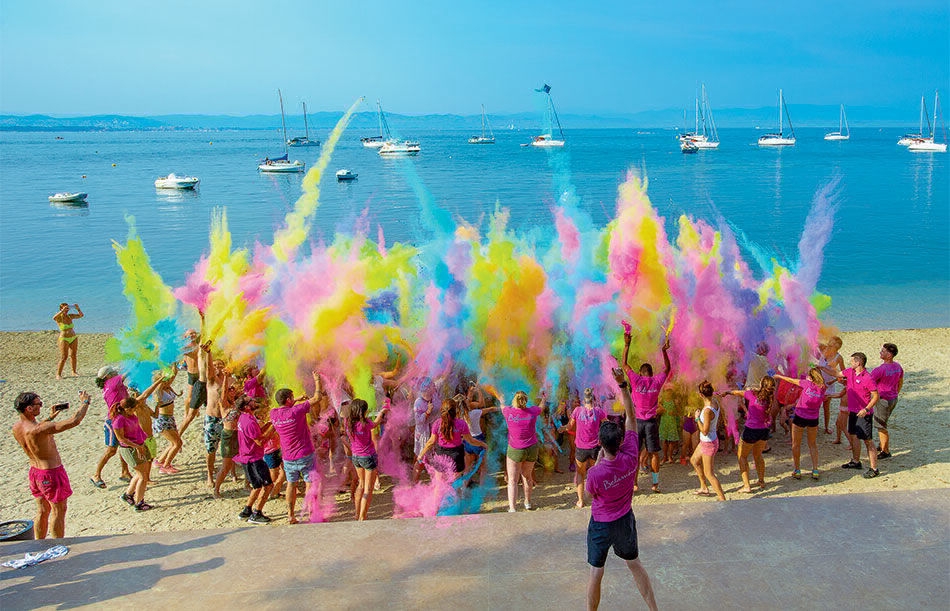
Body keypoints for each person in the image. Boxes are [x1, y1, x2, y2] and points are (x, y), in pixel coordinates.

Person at [584, 367, 658, 611]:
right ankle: (653, 608)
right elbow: (632, 417)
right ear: (621, 441)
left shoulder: (595, 473)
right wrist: (623, 385)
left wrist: (597, 462)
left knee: (597, 572)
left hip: (601, 525)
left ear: (599, 444)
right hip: (625, 521)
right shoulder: (631, 454)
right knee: (634, 564)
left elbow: (589, 494)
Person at [12, 390, 91, 538]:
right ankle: (57, 547)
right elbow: (74, 421)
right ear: (29, 408)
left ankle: (38, 544)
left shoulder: (17, 427)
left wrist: (49, 417)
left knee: (42, 511)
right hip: (51, 473)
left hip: (35, 472)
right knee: (58, 511)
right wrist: (85, 403)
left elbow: (36, 430)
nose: (40, 407)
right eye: (38, 404)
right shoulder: (39, 429)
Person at [622, 333, 671, 493]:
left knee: (635, 455)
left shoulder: (636, 380)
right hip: (651, 423)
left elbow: (624, 364)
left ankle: (635, 484)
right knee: (654, 454)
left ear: (641, 372)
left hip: (637, 423)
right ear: (650, 372)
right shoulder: (657, 381)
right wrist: (664, 352)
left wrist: (627, 345)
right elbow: (668, 369)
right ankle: (655, 484)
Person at [270, 374, 323, 524]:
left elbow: (287, 411)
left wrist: (296, 400)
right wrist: (317, 380)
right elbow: (317, 398)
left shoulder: (273, 413)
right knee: (309, 484)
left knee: (291, 485)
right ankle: (311, 513)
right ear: (288, 400)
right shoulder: (297, 411)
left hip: (288, 458)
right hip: (305, 454)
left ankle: (290, 515)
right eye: (292, 397)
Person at [722, 376, 775, 493]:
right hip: (764, 431)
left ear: (762, 384)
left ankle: (746, 486)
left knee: (742, 456)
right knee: (758, 455)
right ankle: (761, 481)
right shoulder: (770, 399)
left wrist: (727, 392)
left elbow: (738, 392)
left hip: (751, 430)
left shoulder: (752, 394)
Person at [775, 368, 827, 479]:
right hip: (813, 418)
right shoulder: (823, 387)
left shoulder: (807, 384)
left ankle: (797, 470)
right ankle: (815, 470)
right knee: (812, 444)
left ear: (811, 377)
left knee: (796, 444)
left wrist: (779, 377)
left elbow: (791, 380)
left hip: (800, 416)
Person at [558, 388, 606, 508]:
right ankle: (598, 498)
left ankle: (580, 501)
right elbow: (607, 425)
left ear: (583, 401)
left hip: (581, 449)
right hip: (595, 448)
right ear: (593, 400)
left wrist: (562, 428)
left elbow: (569, 427)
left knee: (580, 474)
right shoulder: (598, 411)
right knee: (596, 474)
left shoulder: (577, 411)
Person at [417, 397, 487, 478]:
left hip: (441, 455)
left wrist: (421, 454)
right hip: (457, 456)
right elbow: (471, 441)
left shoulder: (437, 423)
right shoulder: (461, 424)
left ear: (441, 410)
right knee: (456, 485)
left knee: (439, 485)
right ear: (455, 411)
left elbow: (431, 442)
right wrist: (483, 444)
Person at [342, 398, 389, 521]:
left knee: (361, 485)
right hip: (368, 457)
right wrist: (382, 411)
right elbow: (376, 422)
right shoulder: (365, 423)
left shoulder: (347, 422)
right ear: (363, 411)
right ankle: (363, 516)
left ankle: (357, 514)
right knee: (368, 488)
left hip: (356, 457)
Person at [837, 352, 881, 478]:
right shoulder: (850, 372)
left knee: (868, 441)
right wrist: (821, 368)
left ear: (858, 363)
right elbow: (836, 374)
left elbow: (876, 396)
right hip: (853, 411)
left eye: (852, 361)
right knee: (853, 436)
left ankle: (874, 468)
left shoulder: (867, 377)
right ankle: (856, 461)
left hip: (864, 414)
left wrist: (866, 409)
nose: (850, 363)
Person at [234, 396, 275, 524]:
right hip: (254, 459)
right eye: (250, 401)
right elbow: (259, 441)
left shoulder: (245, 418)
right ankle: (257, 513)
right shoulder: (250, 422)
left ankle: (247, 510)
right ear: (246, 407)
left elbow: (256, 434)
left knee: (256, 486)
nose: (254, 401)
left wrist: (268, 424)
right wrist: (274, 428)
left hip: (247, 458)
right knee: (268, 486)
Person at [502, 390, 543, 512]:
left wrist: (501, 397)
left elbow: (502, 405)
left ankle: (513, 508)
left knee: (513, 480)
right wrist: (544, 398)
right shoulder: (533, 411)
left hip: (515, 450)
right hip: (531, 448)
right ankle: (528, 503)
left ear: (514, 401)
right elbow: (541, 406)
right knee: (527, 477)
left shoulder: (508, 412)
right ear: (526, 400)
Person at [111, 397, 155, 511]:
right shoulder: (118, 420)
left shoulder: (131, 416)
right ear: (127, 409)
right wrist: (136, 446)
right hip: (131, 449)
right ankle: (139, 503)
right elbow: (121, 438)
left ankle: (128, 494)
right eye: (133, 409)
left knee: (141, 473)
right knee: (142, 477)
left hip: (139, 446)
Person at [91, 367, 132, 487]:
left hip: (121, 419)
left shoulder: (109, 385)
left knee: (123, 446)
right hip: (113, 421)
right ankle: (96, 475)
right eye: (113, 372)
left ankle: (125, 472)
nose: (116, 373)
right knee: (111, 450)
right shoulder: (112, 382)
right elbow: (127, 373)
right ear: (108, 376)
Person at [689, 381, 726, 500]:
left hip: (708, 442)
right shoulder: (715, 401)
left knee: (709, 474)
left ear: (701, 395)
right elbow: (716, 395)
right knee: (694, 460)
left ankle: (722, 498)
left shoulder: (707, 411)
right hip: (707, 440)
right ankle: (704, 487)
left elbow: (704, 431)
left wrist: (696, 419)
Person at [870, 343, 904, 459]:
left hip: (883, 400)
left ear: (889, 355)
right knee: (884, 422)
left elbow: (868, 382)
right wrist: (896, 392)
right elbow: (900, 381)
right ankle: (882, 443)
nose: (880, 352)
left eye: (883, 351)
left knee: (881, 426)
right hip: (893, 399)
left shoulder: (880, 369)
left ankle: (885, 451)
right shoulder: (897, 366)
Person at [153, 366, 183, 473]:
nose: (168, 381)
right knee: (177, 444)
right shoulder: (158, 391)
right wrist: (161, 378)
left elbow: (174, 373)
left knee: (173, 443)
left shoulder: (167, 387)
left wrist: (174, 363)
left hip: (170, 418)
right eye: (165, 380)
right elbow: (159, 386)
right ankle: (165, 466)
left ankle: (160, 461)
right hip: (163, 420)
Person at [178, 326, 202, 436]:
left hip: (201, 373)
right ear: (186, 337)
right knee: (189, 396)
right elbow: (178, 350)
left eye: (193, 333)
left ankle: (196, 410)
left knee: (201, 393)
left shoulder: (199, 345)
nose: (192, 335)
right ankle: (186, 413)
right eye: (190, 334)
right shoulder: (187, 348)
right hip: (192, 374)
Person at [818, 337, 845, 433]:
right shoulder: (823, 349)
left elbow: (843, 374)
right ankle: (814, 425)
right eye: (830, 343)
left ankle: (826, 427)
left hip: (829, 384)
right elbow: (814, 342)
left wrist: (833, 381)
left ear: (837, 347)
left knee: (826, 406)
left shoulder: (838, 358)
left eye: (832, 344)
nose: (830, 345)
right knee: (815, 405)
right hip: (818, 382)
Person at [411, 381, 435, 484]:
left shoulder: (434, 398)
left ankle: (435, 484)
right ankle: (414, 484)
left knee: (430, 460)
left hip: (432, 435)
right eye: (432, 386)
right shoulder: (418, 402)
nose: (434, 387)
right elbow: (419, 421)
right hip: (423, 436)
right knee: (421, 459)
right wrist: (427, 412)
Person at [53, 302, 83, 379]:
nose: (66, 310)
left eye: (67, 309)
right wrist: (62, 311)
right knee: (64, 357)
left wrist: (78, 308)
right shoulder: (59, 318)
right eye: (65, 309)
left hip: (73, 337)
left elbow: (81, 315)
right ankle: (58, 374)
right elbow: (54, 318)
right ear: (61, 309)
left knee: (73, 355)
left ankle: (74, 372)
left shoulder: (70, 316)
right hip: (64, 338)